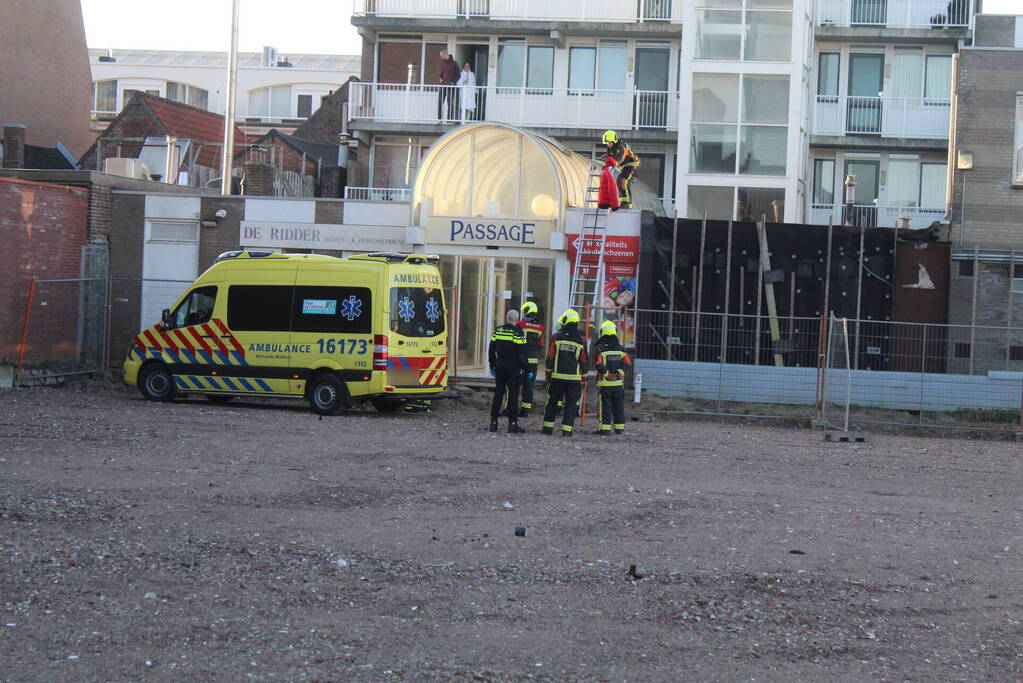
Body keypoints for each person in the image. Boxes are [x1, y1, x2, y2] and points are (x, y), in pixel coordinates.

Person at [542, 309, 588, 437]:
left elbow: (550, 357)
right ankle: (567, 430)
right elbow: (584, 361)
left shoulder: (557, 337)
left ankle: (547, 428)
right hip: (574, 379)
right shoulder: (581, 340)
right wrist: (584, 378)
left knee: (553, 402)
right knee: (571, 404)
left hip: (557, 377)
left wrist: (548, 374)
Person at [488, 309, 527, 433]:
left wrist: (492, 363)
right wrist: (524, 368)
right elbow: (522, 353)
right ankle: (512, 424)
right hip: (513, 368)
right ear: (516, 320)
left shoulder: (498, 330)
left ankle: (493, 423)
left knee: (498, 393)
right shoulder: (517, 333)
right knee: (513, 395)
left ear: (506, 318)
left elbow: (491, 349)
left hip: (500, 365)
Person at [594, 320, 632, 436]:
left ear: (603, 332)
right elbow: (627, 363)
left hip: (605, 385)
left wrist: (607, 375)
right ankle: (619, 428)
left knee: (605, 407)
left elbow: (598, 363)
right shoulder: (621, 348)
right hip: (618, 385)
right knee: (618, 406)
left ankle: (604, 429)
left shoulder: (601, 348)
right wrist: (620, 373)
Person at [516, 301, 545, 417]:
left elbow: (516, 341)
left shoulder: (521, 324)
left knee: (515, 384)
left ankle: (511, 408)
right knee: (529, 386)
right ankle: (525, 411)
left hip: (520, 361)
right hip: (532, 362)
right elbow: (541, 345)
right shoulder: (540, 327)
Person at [602, 130, 640, 209]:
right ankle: (623, 202)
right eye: (607, 143)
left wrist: (614, 163)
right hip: (624, 166)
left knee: (622, 180)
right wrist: (606, 165)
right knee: (619, 181)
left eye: (609, 143)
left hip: (631, 163)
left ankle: (627, 204)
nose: (608, 145)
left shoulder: (621, 146)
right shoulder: (610, 148)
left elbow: (620, 158)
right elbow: (610, 158)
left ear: (614, 141)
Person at [438, 50, 461, 123]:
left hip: (451, 86)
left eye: (441, 56)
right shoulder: (443, 63)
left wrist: (453, 82)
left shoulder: (454, 63)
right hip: (443, 86)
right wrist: (441, 78)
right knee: (440, 102)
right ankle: (439, 119)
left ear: (445, 55)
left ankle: (449, 120)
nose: (441, 57)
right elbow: (441, 73)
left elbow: (458, 75)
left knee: (449, 102)